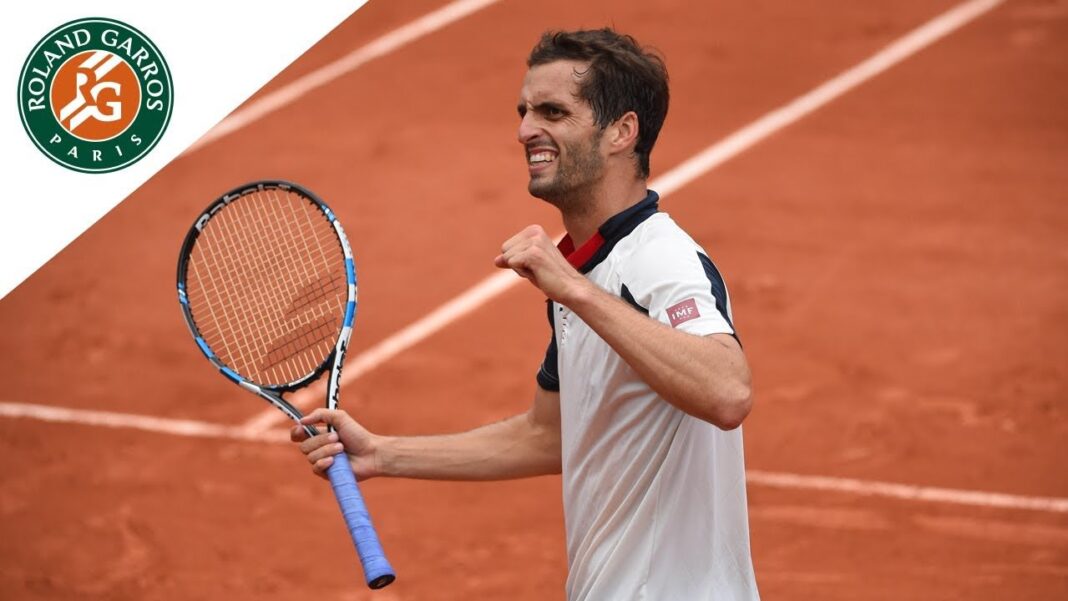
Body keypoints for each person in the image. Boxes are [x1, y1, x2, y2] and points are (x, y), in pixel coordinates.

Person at [293, 28, 760, 600]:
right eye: (525, 112)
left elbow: (728, 391)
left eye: (553, 112)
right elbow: (548, 435)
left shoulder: (658, 259)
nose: (525, 130)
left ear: (622, 132)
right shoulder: (585, 272)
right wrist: (383, 454)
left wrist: (575, 291)